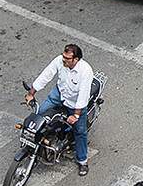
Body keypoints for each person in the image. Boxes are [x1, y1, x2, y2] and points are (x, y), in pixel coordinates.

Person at [26, 43, 96, 175]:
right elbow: (46, 75)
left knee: (80, 132)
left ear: (76, 59)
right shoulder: (60, 61)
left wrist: (75, 115)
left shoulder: (85, 71)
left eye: (67, 58)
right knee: (40, 115)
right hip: (59, 94)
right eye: (63, 56)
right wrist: (31, 93)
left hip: (75, 104)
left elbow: (83, 95)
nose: (63, 59)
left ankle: (82, 161)